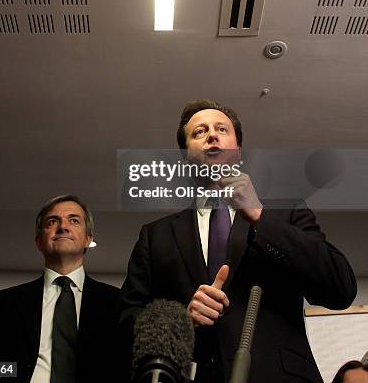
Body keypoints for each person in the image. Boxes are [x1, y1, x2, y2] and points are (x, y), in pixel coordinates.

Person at [120, 100, 357, 383]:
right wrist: (180, 321)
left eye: (222, 129)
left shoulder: (286, 210)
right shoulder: (155, 235)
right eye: (199, 132)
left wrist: (260, 216)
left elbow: (340, 289)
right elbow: (126, 321)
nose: (212, 135)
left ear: (238, 150)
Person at [0, 194, 122, 383]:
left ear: (88, 239)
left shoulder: (118, 303)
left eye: (74, 220)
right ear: (39, 242)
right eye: (52, 221)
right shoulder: (1, 304)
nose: (63, 227)